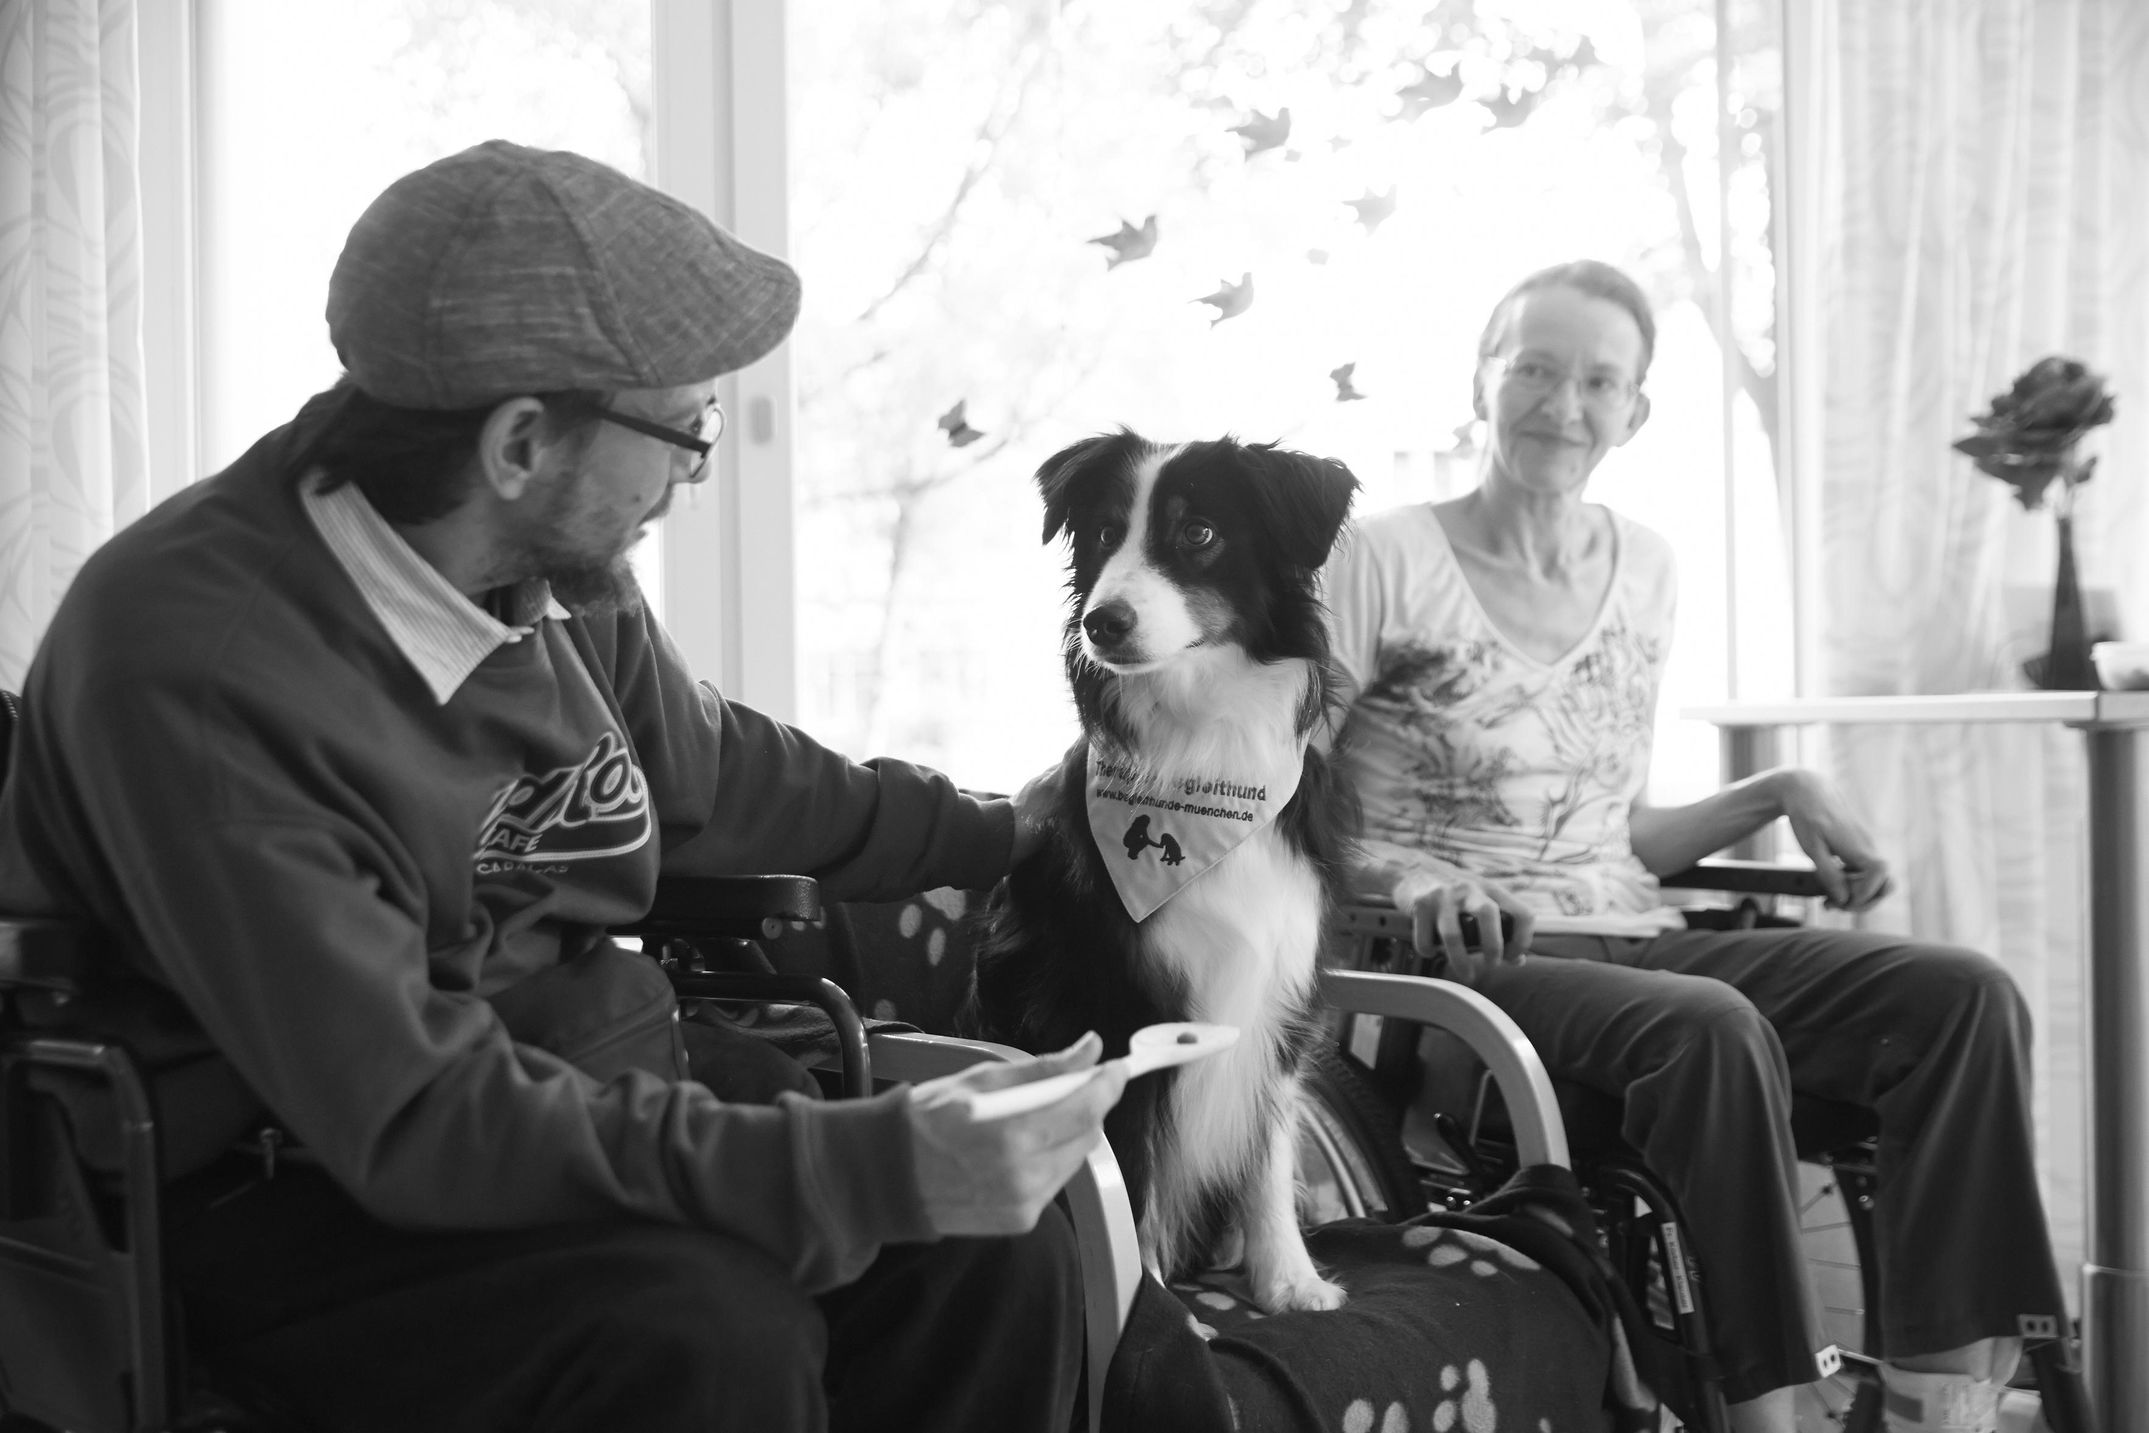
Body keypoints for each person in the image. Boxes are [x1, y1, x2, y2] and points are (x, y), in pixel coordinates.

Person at [0, 140, 1127, 1433]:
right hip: (289, 1187)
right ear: (521, 441)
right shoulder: (197, 668)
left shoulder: (545, 567)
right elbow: (418, 1112)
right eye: (684, 430)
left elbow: (707, 777)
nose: (688, 476)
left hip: (567, 1085)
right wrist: (860, 1165)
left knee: (1001, 1252)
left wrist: (1000, 831)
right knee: (708, 1340)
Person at [1321, 259, 2068, 1433]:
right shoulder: (1380, 556)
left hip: (1626, 931)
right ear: (1481, 378)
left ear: (1636, 410)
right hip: (1462, 965)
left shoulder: (1648, 566)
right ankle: (1772, 1406)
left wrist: (1780, 786)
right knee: (1711, 1030)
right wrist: (1412, 877)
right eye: (1533, 368)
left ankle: (1934, 1405)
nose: (1561, 405)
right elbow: (1290, 796)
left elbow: (1619, 828)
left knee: (1960, 997)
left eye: (1597, 381)